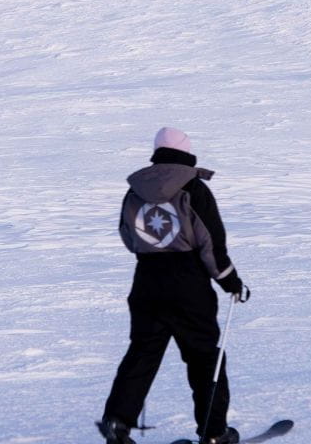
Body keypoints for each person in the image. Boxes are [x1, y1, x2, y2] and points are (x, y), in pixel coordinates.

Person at [99, 127, 246, 444]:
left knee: (143, 353)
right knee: (205, 357)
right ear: (187, 151)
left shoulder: (135, 189)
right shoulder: (193, 188)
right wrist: (231, 281)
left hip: (147, 281)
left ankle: (116, 423)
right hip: (188, 283)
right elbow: (211, 245)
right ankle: (214, 433)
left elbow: (127, 235)